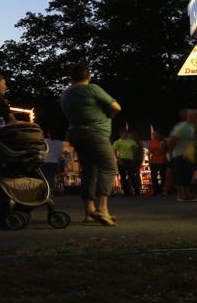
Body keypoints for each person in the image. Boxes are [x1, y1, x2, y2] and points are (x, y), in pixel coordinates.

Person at [59, 62, 123, 226]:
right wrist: (109, 115)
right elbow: (116, 107)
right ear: (88, 76)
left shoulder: (65, 94)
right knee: (109, 167)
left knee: (89, 170)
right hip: (95, 133)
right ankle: (102, 209)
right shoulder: (92, 88)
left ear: (71, 77)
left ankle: (89, 211)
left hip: (75, 133)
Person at [167, 109, 197, 203]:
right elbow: (172, 140)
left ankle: (187, 195)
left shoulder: (190, 126)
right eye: (194, 116)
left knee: (187, 175)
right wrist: (171, 153)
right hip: (181, 154)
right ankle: (182, 195)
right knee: (182, 175)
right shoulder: (184, 127)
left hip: (186, 155)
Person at [113, 127, 142, 197]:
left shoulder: (131, 141)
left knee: (132, 176)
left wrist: (134, 150)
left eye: (126, 133)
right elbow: (114, 151)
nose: (125, 135)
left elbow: (136, 150)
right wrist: (118, 159)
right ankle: (126, 192)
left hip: (130, 160)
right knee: (123, 177)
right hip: (122, 160)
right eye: (124, 134)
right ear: (121, 134)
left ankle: (137, 191)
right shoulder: (117, 142)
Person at [147, 130, 167, 196]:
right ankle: (156, 189)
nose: (154, 136)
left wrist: (161, 147)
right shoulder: (152, 142)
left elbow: (164, 150)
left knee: (163, 175)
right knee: (153, 176)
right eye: (153, 134)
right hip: (154, 161)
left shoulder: (163, 141)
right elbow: (149, 152)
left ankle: (162, 189)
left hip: (162, 161)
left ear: (159, 135)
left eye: (155, 134)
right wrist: (149, 160)